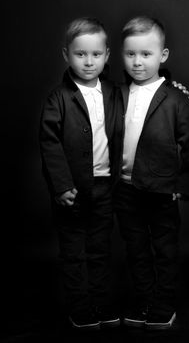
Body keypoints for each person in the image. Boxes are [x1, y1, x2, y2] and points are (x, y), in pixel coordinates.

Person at [114, 15, 189, 330]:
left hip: (163, 189)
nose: (138, 62)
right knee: (135, 250)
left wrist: (184, 182)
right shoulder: (118, 93)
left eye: (146, 54)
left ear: (162, 56)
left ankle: (163, 305)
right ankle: (145, 301)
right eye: (130, 54)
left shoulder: (176, 96)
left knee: (164, 250)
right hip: (126, 188)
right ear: (120, 54)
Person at [39, 17, 120, 331]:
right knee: (74, 251)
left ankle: (100, 302)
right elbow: (49, 143)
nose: (89, 61)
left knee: (100, 249)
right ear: (66, 55)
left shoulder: (114, 93)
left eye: (96, 54)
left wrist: (169, 85)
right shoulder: (58, 98)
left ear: (107, 55)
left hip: (105, 187)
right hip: (72, 189)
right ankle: (80, 307)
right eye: (80, 54)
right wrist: (61, 186)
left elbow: (142, 99)